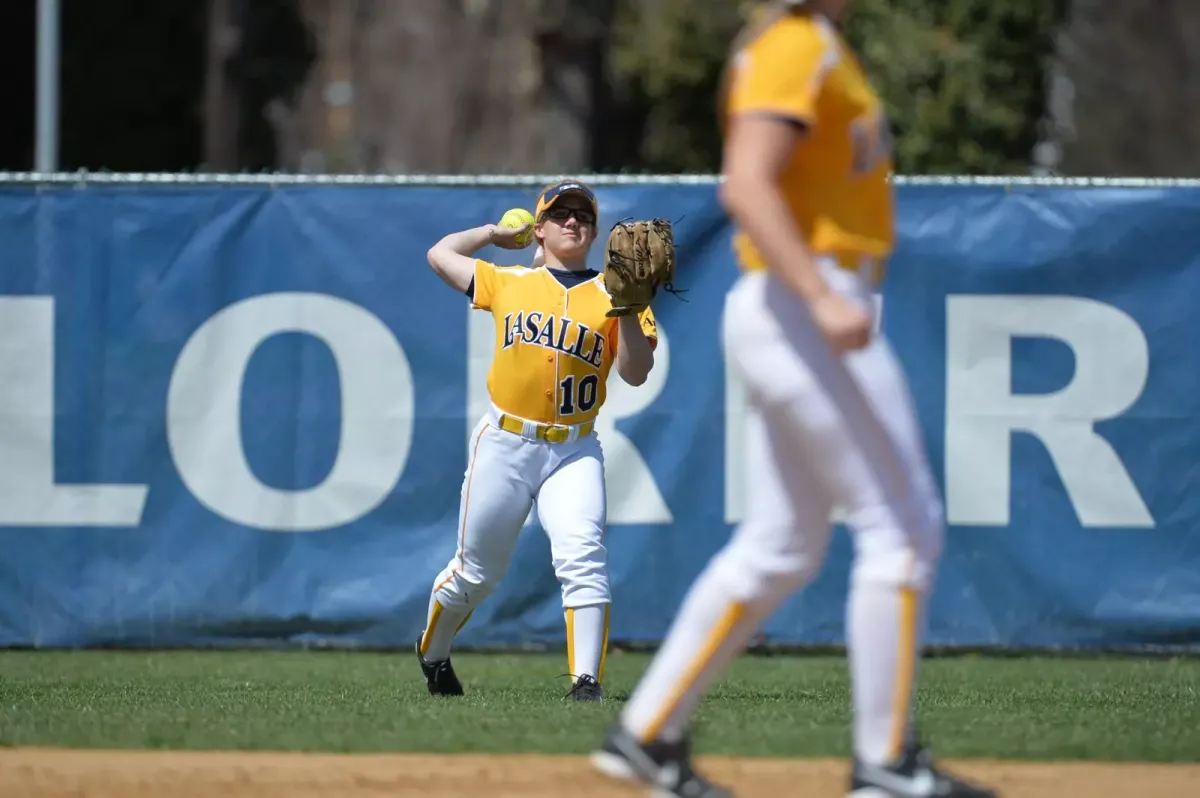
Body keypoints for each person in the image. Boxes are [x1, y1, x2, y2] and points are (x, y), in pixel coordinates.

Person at [590, 1, 998, 796]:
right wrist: (818, 295)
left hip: (792, 306)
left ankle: (647, 735)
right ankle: (884, 765)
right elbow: (746, 184)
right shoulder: (796, 45)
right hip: (801, 301)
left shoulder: (815, 45)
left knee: (783, 544)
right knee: (904, 532)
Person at [418, 179, 659, 701]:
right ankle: (432, 652)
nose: (574, 222)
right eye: (561, 213)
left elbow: (637, 373)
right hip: (504, 443)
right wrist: (492, 234)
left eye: (583, 216)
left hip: (573, 449)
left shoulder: (615, 295)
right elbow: (439, 255)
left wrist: (629, 307)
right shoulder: (510, 282)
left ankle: (586, 682)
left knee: (583, 553)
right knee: (476, 574)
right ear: (541, 228)